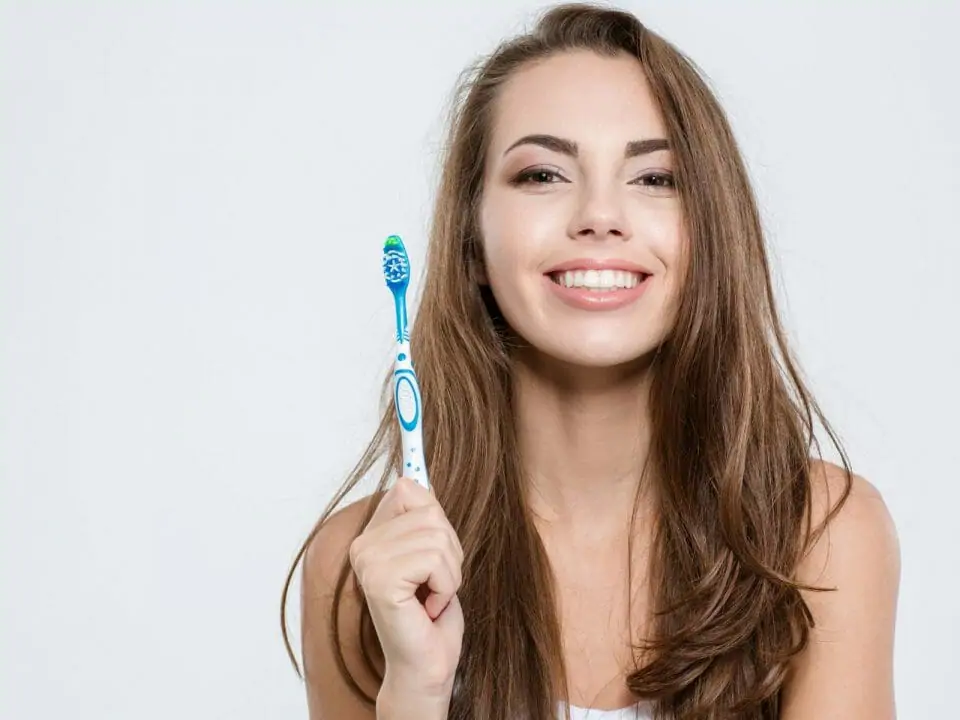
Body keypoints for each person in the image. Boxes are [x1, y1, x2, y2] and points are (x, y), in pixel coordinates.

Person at [280, 4, 901, 719]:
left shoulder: (821, 537)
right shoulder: (360, 568)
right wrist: (415, 692)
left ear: (710, 235)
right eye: (543, 175)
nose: (600, 215)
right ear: (471, 242)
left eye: (656, 179)